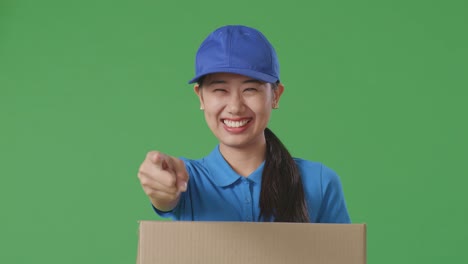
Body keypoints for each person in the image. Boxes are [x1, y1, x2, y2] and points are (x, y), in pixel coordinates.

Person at [137, 25, 351, 223]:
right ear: (200, 98)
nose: (235, 107)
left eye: (250, 89)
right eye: (220, 90)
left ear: (276, 95)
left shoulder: (319, 183)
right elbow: (167, 197)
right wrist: (162, 189)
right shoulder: (187, 180)